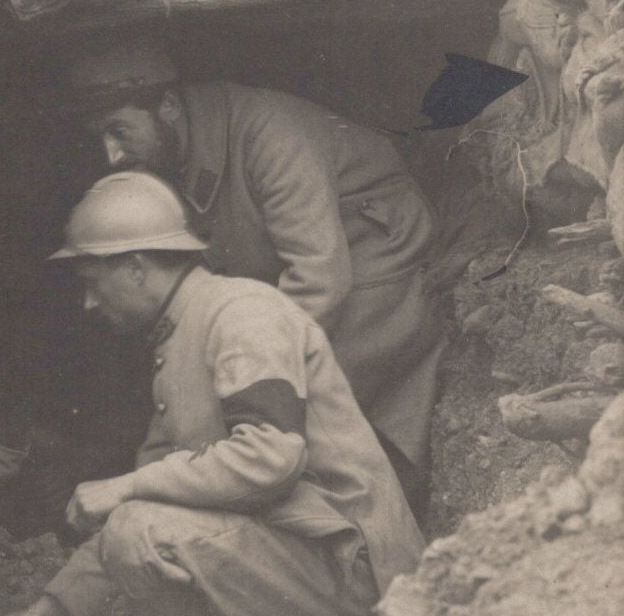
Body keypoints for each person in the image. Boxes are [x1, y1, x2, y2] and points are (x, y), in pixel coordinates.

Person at [0, 171, 423, 616]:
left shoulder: (240, 314)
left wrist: (126, 486)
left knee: (142, 527)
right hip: (304, 556)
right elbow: (160, 483)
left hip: (355, 565)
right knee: (139, 522)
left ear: (137, 267)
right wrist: (57, 605)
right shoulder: (179, 342)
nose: (87, 303)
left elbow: (272, 454)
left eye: (91, 280)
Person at [66, 39, 444, 504]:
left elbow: (320, 277)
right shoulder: (169, 151)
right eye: (100, 137)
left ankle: (340, 527)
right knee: (224, 398)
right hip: (287, 289)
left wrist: (248, 365)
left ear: (167, 106)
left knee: (277, 410)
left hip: (376, 274)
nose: (112, 156)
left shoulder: (270, 134)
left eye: (119, 131)